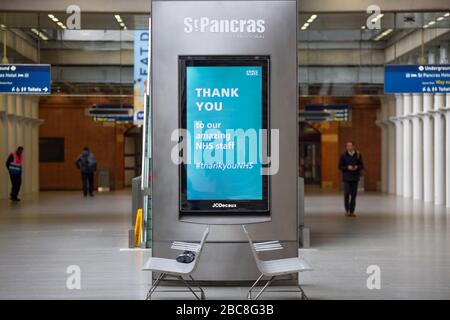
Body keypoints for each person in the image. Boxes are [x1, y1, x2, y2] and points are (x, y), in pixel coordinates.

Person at [339, 141, 364, 217]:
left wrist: (357, 167)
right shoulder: (343, 155)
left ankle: (352, 211)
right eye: (347, 146)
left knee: (354, 195)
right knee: (346, 193)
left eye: (350, 146)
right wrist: (347, 167)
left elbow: (362, 165)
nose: (349, 147)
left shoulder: (358, 155)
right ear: (346, 147)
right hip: (346, 177)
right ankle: (347, 210)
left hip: (355, 177)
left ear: (353, 146)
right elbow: (340, 166)